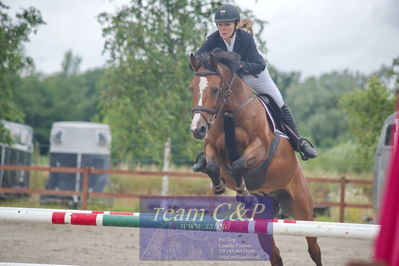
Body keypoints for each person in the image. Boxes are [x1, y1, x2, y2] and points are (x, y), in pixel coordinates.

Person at [192, 4, 317, 172]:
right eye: (220, 25)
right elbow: (198, 59)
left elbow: (259, 65)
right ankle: (206, 154)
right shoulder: (213, 39)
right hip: (229, 80)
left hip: (252, 75)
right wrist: (198, 63)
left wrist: (239, 66)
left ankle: (298, 142)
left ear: (235, 25)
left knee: (278, 101)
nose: (223, 29)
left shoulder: (245, 38)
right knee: (213, 104)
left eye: (227, 25)